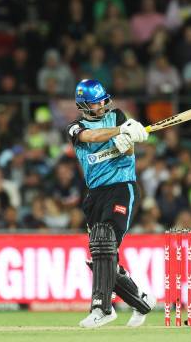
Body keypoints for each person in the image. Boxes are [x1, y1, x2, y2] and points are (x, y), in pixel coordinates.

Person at [65, 79, 156, 328]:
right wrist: (120, 133)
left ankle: (102, 308)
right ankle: (143, 301)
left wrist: (129, 142)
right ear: (84, 105)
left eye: (103, 99)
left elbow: (127, 151)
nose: (103, 104)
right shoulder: (75, 127)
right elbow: (92, 137)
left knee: (104, 240)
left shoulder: (117, 115)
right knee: (102, 257)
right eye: (96, 102)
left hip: (122, 187)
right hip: (95, 194)